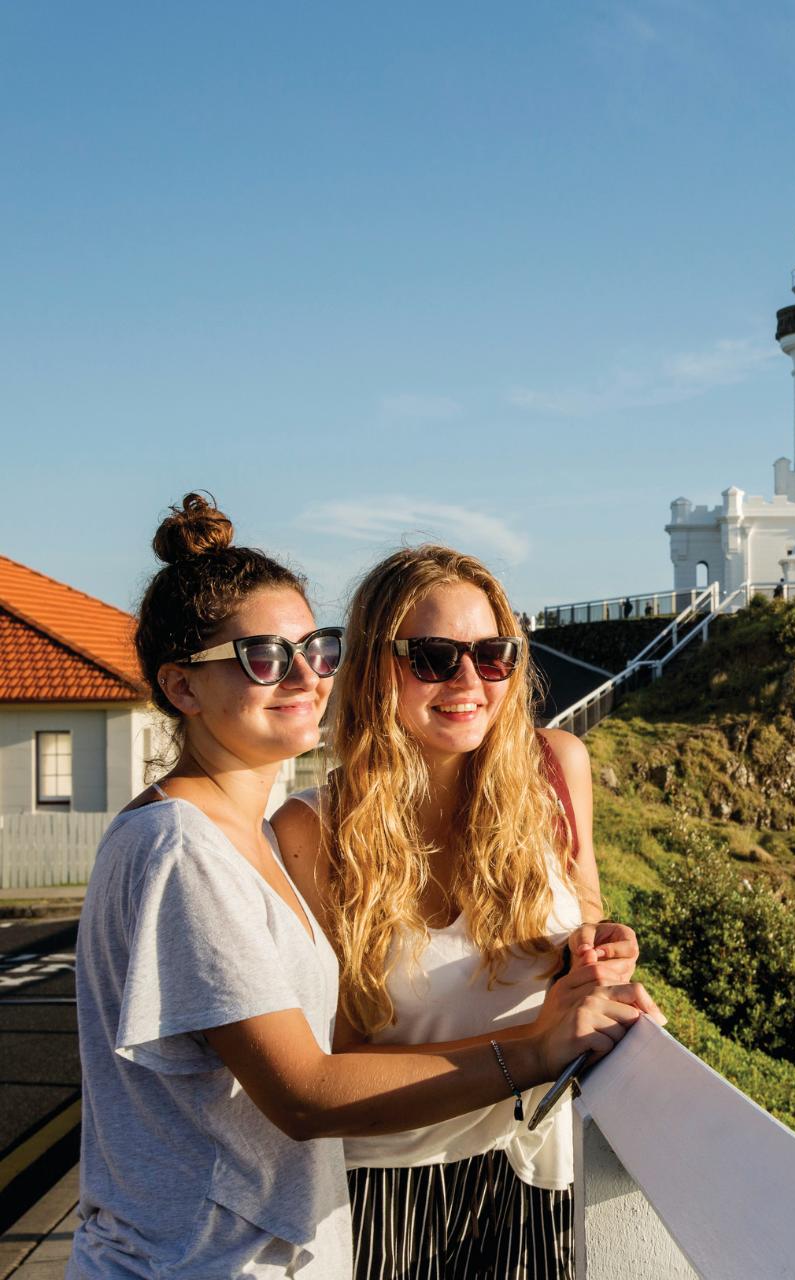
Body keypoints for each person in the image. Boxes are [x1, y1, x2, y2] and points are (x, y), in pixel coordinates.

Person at [71, 496, 654, 1279]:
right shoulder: (196, 844)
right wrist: (538, 1046)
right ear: (182, 689)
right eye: (262, 659)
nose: (306, 676)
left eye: (315, 649)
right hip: (223, 1248)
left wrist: (591, 953)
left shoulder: (236, 835)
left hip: (319, 1229)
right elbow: (308, 1089)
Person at [271, 545, 648, 1278]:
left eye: (492, 654)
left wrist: (601, 948)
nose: (470, 681)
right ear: (377, 667)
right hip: (386, 1193)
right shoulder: (310, 834)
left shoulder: (558, 771)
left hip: (537, 1169)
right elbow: (332, 1067)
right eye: (435, 657)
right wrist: (532, 1048)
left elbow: (584, 905)